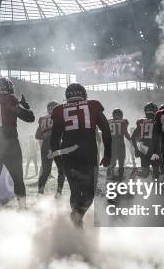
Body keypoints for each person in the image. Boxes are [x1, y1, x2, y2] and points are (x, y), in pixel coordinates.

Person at [50, 83, 111, 227]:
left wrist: (58, 161)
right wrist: (108, 154)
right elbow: (106, 132)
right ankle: (78, 215)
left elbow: (54, 139)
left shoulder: (59, 109)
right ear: (84, 94)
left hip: (68, 154)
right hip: (87, 153)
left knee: (75, 190)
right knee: (91, 191)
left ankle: (77, 221)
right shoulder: (93, 105)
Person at [0, 77, 35, 208]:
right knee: (18, 178)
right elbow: (29, 118)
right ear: (9, 87)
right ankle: (22, 207)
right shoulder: (10, 99)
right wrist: (25, 106)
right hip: (8, 143)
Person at [36, 100, 64, 197]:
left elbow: (37, 136)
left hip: (45, 146)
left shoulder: (42, 118)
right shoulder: (60, 117)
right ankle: (58, 193)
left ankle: (40, 192)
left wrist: (46, 134)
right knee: (61, 170)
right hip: (56, 145)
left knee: (45, 171)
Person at [132, 102, 159, 179]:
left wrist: (136, 149)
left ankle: (135, 174)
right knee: (156, 173)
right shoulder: (157, 122)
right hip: (154, 150)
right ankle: (156, 187)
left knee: (145, 174)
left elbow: (133, 138)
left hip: (143, 149)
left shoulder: (141, 121)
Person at [107, 108, 131, 181]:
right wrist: (131, 140)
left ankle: (110, 174)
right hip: (120, 144)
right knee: (121, 161)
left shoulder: (109, 122)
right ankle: (120, 178)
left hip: (112, 144)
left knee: (112, 161)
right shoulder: (124, 121)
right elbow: (125, 133)